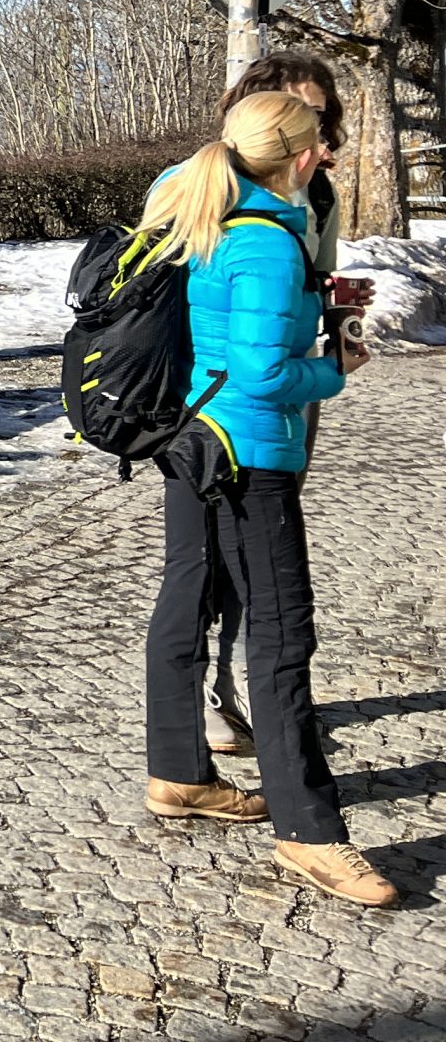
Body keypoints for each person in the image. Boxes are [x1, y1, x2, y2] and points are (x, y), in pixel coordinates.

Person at [139, 92, 396, 908]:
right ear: (301, 156)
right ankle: (309, 832)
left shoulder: (194, 202)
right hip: (249, 452)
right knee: (283, 631)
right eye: (321, 144)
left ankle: (179, 774)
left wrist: (310, 304)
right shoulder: (266, 240)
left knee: (187, 598)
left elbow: (225, 326)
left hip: (190, 434)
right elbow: (264, 374)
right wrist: (335, 369)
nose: (327, 156)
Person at [202, 52, 346, 759]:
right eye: (298, 113)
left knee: (264, 560)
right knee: (220, 560)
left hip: (283, 388)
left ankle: (264, 701)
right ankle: (216, 700)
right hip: (221, 406)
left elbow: (308, 282)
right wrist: (329, 374)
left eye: (319, 114)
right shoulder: (210, 187)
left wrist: (332, 303)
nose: (313, 130)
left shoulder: (318, 194)